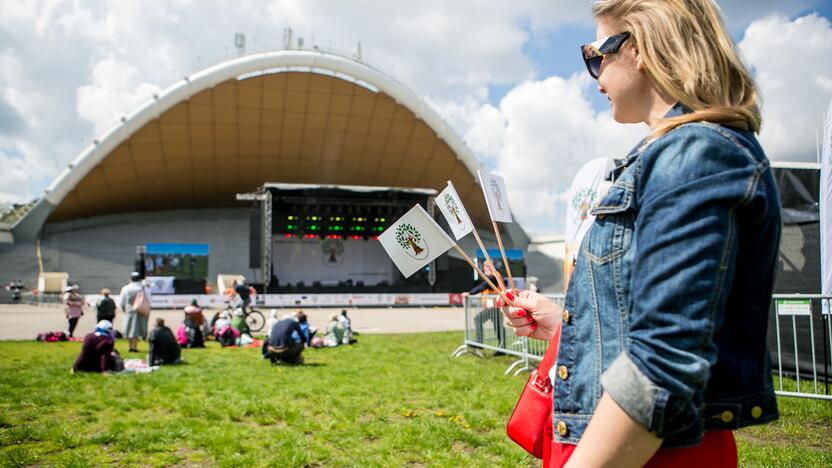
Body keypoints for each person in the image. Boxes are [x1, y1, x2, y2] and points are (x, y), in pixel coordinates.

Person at [503, 1, 781, 466]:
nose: (594, 77)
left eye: (596, 55)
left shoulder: (695, 153)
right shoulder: (674, 154)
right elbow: (655, 316)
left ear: (640, 48)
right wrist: (566, 323)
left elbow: (663, 363)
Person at [469, 263, 506, 355]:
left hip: (494, 306)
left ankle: (480, 342)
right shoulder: (495, 276)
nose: (484, 269)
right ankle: (502, 348)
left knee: (478, 320)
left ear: (488, 267)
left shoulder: (493, 277)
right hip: (494, 306)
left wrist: (470, 293)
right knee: (498, 327)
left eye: (485, 267)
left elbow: (483, 286)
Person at [119, 272, 152, 353]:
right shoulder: (143, 288)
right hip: (141, 311)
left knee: (129, 328)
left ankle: (131, 346)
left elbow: (121, 301)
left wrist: (123, 309)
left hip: (129, 311)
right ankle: (134, 346)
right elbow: (149, 300)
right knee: (137, 329)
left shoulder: (126, 288)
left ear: (130, 279)